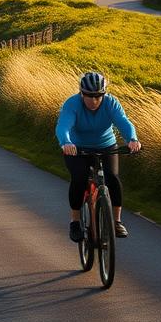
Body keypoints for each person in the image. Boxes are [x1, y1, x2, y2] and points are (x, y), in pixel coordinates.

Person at [56, 71, 141, 242]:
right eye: (89, 96)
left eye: (98, 96)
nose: (94, 101)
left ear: (103, 94)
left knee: (113, 178)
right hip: (77, 148)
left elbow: (123, 122)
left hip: (106, 146)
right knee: (79, 179)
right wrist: (66, 142)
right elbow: (63, 125)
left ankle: (116, 221)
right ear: (82, 93)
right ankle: (75, 221)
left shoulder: (111, 103)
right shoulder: (72, 104)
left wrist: (132, 139)